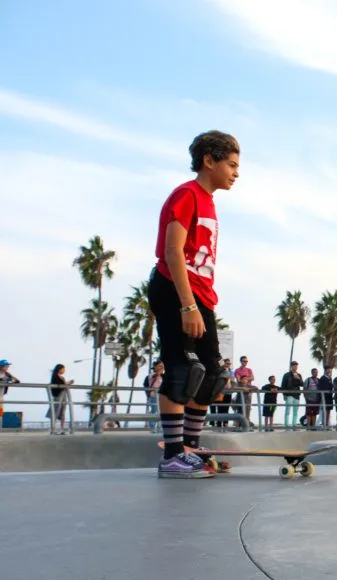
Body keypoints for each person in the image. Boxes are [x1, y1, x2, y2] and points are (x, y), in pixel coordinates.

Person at [148, 130, 239, 478]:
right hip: (175, 288)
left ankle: (190, 448)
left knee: (212, 373)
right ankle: (172, 456)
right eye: (230, 164)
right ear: (208, 160)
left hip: (201, 294)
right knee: (181, 367)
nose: (235, 172)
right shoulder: (187, 194)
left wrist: (198, 303)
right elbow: (173, 251)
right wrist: (187, 306)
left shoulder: (210, 202)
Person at [48, 364, 73, 434]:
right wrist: (67, 384)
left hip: (63, 396)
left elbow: (63, 385)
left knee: (62, 413)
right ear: (59, 369)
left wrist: (68, 383)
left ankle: (61, 429)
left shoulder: (62, 378)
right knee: (55, 412)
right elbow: (60, 386)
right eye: (63, 369)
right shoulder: (55, 377)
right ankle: (53, 429)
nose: (64, 371)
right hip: (58, 396)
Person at [280, 361, 303, 429]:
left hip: (296, 395)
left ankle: (294, 424)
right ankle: (286, 424)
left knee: (295, 411)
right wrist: (284, 394)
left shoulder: (299, 375)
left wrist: (298, 379)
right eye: (294, 366)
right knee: (288, 410)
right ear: (291, 366)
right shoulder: (286, 375)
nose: (296, 367)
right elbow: (283, 385)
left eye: (296, 366)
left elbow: (302, 384)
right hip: (289, 394)